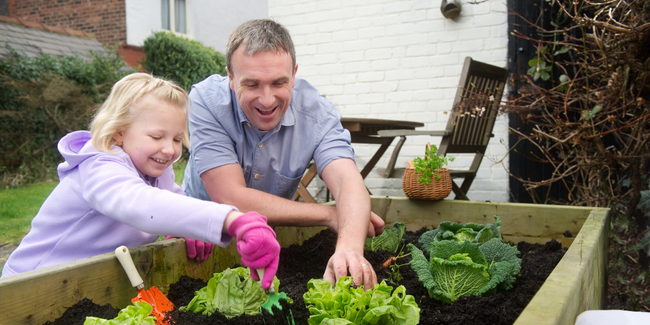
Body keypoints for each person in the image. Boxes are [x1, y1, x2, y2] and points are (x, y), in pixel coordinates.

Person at [1, 73, 280, 291]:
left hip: (83, 285)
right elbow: (141, 205)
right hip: (29, 286)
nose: (169, 149)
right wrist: (232, 220)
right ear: (120, 133)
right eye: (157, 137)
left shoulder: (156, 172)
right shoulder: (99, 166)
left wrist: (189, 229)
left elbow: (173, 204)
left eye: (176, 139)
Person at [181, 19, 385, 289]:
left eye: (279, 83)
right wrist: (331, 215)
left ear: (294, 75)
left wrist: (349, 249)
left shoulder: (317, 115)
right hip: (197, 242)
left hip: (267, 243)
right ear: (230, 78)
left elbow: (348, 180)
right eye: (252, 84)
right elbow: (230, 197)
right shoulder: (207, 103)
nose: (267, 100)